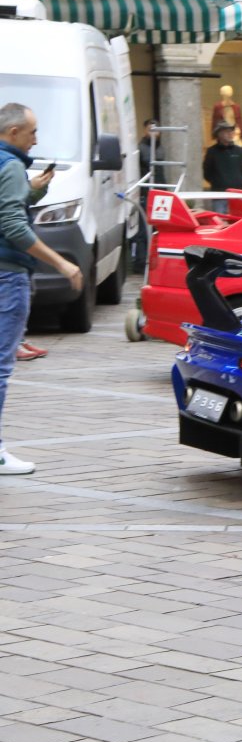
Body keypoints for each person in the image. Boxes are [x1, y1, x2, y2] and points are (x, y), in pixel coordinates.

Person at [0, 103, 84, 475]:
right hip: (7, 276)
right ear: (13, 132)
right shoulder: (10, 166)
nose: (36, 139)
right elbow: (13, 227)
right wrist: (61, 263)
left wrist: (31, 190)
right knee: (1, 366)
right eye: (32, 132)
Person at [203, 122, 242, 191]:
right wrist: (217, 182)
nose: (230, 134)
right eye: (227, 131)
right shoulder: (212, 152)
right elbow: (207, 172)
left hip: (238, 191)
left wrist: (239, 181)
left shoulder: (239, 151)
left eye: (231, 131)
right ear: (219, 134)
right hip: (219, 192)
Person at [137, 119, 164, 186]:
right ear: (145, 131)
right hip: (146, 185)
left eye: (156, 130)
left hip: (160, 184)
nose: (153, 133)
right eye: (150, 130)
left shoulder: (160, 146)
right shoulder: (140, 148)